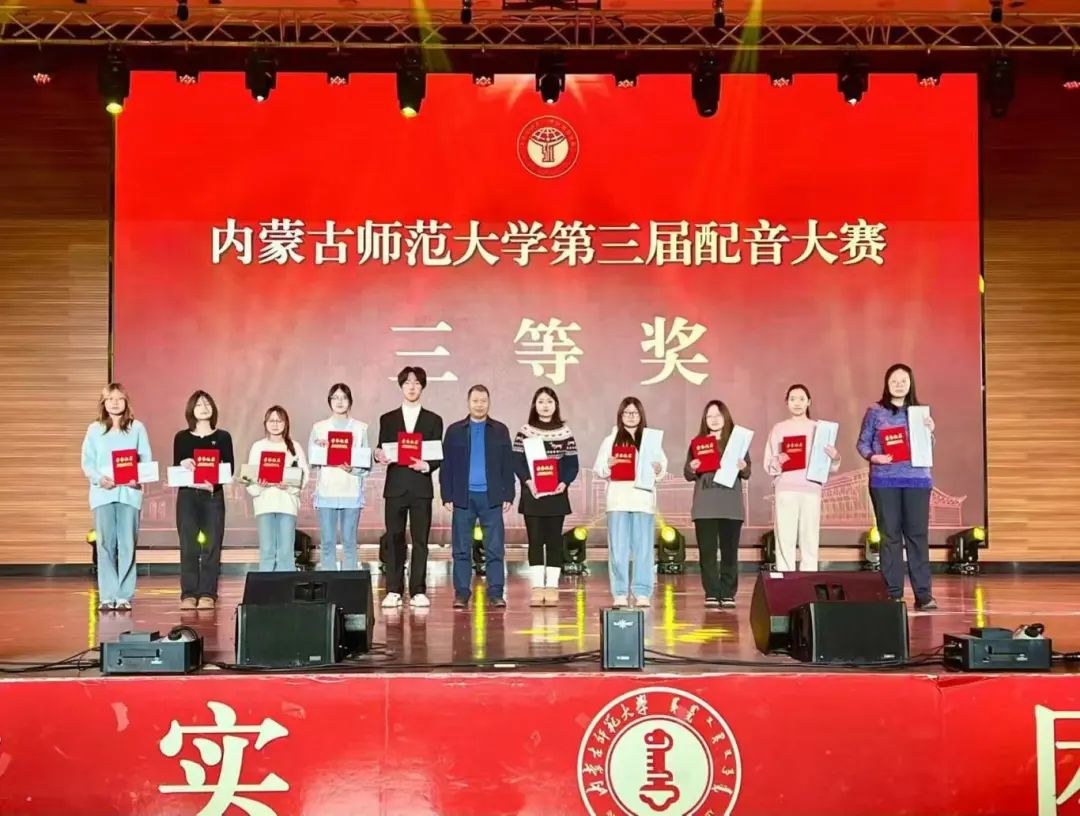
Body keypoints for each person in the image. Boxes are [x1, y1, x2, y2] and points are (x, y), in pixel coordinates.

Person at [857, 363, 937, 610]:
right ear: (887, 384)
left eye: (904, 380)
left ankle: (924, 595)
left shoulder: (920, 413)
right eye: (894, 380)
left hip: (917, 481)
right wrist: (874, 457)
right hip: (884, 481)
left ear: (911, 383)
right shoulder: (875, 411)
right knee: (890, 536)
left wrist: (930, 432)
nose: (899, 385)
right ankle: (892, 593)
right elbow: (862, 443)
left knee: (917, 536)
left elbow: (927, 448)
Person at [440, 385, 515, 610]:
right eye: (475, 400)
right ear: (468, 402)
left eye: (483, 400)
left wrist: (509, 493)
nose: (479, 405)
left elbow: (507, 464)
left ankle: (496, 593)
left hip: (491, 497)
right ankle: (462, 593)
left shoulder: (500, 430)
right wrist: (446, 494)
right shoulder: (454, 431)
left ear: (489, 402)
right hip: (463, 497)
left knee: (495, 549)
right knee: (461, 549)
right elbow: (446, 465)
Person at [374, 367, 444, 609]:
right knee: (394, 539)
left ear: (422, 386)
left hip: (420, 487)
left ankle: (418, 590)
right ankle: (393, 590)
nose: (412, 387)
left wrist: (428, 465)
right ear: (401, 386)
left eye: (416, 383)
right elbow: (380, 449)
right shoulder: (387, 419)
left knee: (420, 541)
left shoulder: (433, 420)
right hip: (395, 487)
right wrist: (378, 455)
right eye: (407, 383)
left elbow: (437, 455)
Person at [80, 383, 152, 612]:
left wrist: (136, 477)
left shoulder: (137, 428)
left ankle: (124, 595)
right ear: (103, 403)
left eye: (119, 398)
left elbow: (145, 459)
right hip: (103, 493)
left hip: (129, 494)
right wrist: (99, 479)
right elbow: (87, 462)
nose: (115, 403)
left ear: (126, 402)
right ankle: (108, 595)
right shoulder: (94, 429)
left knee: (127, 544)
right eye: (110, 399)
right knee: (104, 545)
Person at [593, 396, 667, 608]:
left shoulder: (650, 439)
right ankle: (620, 592)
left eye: (634, 413)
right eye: (627, 413)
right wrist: (608, 464)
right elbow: (599, 469)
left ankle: (642, 592)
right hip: (618, 501)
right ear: (620, 415)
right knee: (618, 549)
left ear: (641, 415)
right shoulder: (611, 440)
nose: (631, 416)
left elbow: (662, 466)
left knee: (643, 549)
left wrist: (658, 469)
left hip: (643, 500)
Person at [512, 387, 580, 607]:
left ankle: (551, 587)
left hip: (556, 495)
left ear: (555, 405)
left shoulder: (565, 432)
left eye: (549, 401)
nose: (545, 405)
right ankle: (536, 587)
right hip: (533, 494)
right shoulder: (525, 431)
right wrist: (528, 482)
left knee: (553, 542)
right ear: (535, 405)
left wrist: (564, 483)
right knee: (535, 542)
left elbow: (572, 464)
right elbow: (517, 461)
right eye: (541, 401)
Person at [763, 384, 840, 573]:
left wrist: (835, 457)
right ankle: (785, 579)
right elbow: (769, 464)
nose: (797, 403)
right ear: (786, 403)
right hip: (786, 489)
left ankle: (808, 579)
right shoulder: (779, 428)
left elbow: (830, 465)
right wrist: (778, 460)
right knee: (785, 539)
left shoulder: (819, 429)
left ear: (808, 402)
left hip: (811, 489)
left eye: (801, 399)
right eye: (792, 399)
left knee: (810, 539)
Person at [684, 400, 749, 609]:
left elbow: (747, 472)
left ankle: (728, 593)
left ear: (726, 417)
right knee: (708, 553)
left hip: (730, 506)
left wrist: (742, 466)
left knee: (730, 553)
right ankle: (712, 592)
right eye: (709, 416)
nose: (713, 420)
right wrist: (692, 467)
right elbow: (688, 473)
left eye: (718, 415)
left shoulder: (737, 442)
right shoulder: (698, 443)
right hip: (705, 506)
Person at [173, 390, 234, 610]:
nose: (203, 407)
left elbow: (229, 469)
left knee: (212, 545)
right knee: (188, 545)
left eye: (207, 403)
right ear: (191, 410)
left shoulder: (223, 437)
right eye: (198, 404)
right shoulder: (182, 437)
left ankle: (208, 593)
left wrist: (214, 483)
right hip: (188, 496)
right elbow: (177, 467)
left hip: (212, 496)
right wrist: (183, 463)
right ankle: (188, 593)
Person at [309, 383, 370, 572]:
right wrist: (321, 448)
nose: (339, 401)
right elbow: (312, 459)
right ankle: (329, 582)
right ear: (329, 401)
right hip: (327, 492)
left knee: (349, 543)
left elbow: (366, 464)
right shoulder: (319, 428)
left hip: (350, 492)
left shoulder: (360, 428)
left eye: (344, 397)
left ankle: (348, 582)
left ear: (350, 401)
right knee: (327, 542)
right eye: (335, 397)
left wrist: (353, 469)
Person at [245, 405, 309, 572]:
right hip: (265, 503)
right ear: (265, 423)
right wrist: (259, 485)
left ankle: (285, 586)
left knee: (286, 552)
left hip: (287, 503)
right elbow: (249, 477)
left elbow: (304, 475)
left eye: (279, 421)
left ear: (286, 423)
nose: (275, 424)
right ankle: (266, 587)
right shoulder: (258, 446)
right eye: (271, 421)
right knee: (267, 550)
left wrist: (289, 486)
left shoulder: (294, 447)